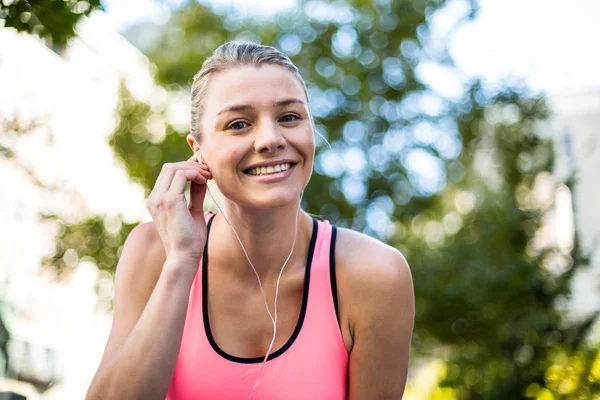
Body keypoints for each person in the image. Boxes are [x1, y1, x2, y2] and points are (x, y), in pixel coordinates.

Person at [86, 42, 414, 400]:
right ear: (199, 152)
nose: (271, 140)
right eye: (239, 124)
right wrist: (181, 262)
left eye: (289, 117)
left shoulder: (375, 275)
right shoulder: (154, 252)